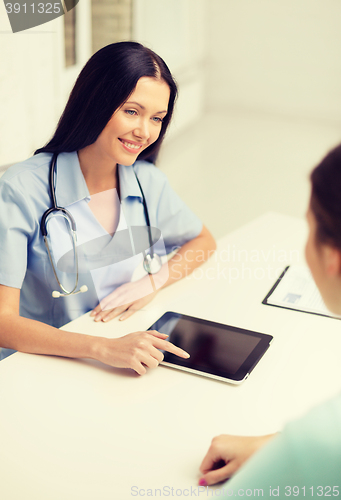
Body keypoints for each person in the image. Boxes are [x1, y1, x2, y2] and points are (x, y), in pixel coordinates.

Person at [0, 42, 216, 373]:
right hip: (36, 365)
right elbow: (3, 322)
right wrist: (102, 348)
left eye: (157, 118)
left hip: (113, 350)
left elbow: (202, 241)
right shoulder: (21, 189)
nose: (144, 132)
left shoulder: (146, 180)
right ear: (95, 103)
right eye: (132, 111)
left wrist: (153, 281)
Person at [198, 144, 341, 493]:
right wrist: (275, 445)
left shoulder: (317, 446)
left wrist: (291, 454)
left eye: (309, 229)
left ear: (333, 260)